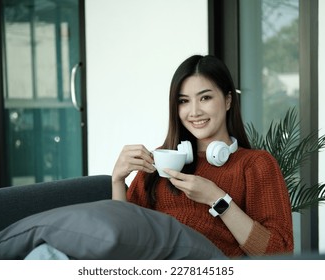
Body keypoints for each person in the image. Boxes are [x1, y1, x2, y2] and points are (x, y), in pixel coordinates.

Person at [112, 54, 294, 258]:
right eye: (183, 101)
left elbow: (279, 253)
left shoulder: (256, 164)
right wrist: (118, 180)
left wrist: (217, 199)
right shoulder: (162, 160)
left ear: (227, 100)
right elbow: (124, 243)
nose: (194, 112)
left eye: (205, 98)